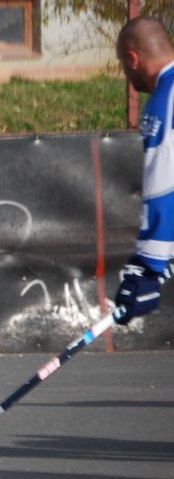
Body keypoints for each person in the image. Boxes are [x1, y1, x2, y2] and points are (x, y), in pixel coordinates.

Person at [113, 16, 174, 323]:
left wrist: (149, 264)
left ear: (133, 58)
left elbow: (162, 185)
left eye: (123, 65)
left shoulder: (166, 101)